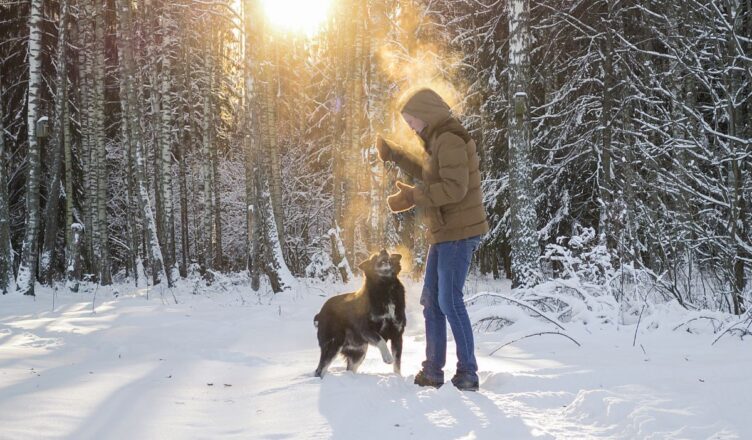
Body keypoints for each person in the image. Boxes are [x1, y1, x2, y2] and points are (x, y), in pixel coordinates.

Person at [376, 88, 489, 391]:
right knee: (431, 302)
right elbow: (430, 173)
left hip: (459, 232)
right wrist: (396, 154)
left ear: (426, 114)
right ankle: (433, 371)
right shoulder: (439, 139)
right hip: (445, 232)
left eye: (412, 121)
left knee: (449, 301)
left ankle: (468, 373)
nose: (411, 127)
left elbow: (453, 189)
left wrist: (413, 196)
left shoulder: (450, 138)